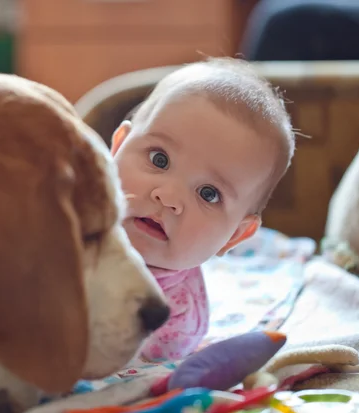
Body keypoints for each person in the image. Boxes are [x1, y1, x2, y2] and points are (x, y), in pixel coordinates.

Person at [110, 57, 295, 360]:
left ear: (234, 236)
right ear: (117, 148)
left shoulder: (177, 315)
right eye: (159, 159)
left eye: (208, 194)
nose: (169, 197)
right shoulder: (63, 212)